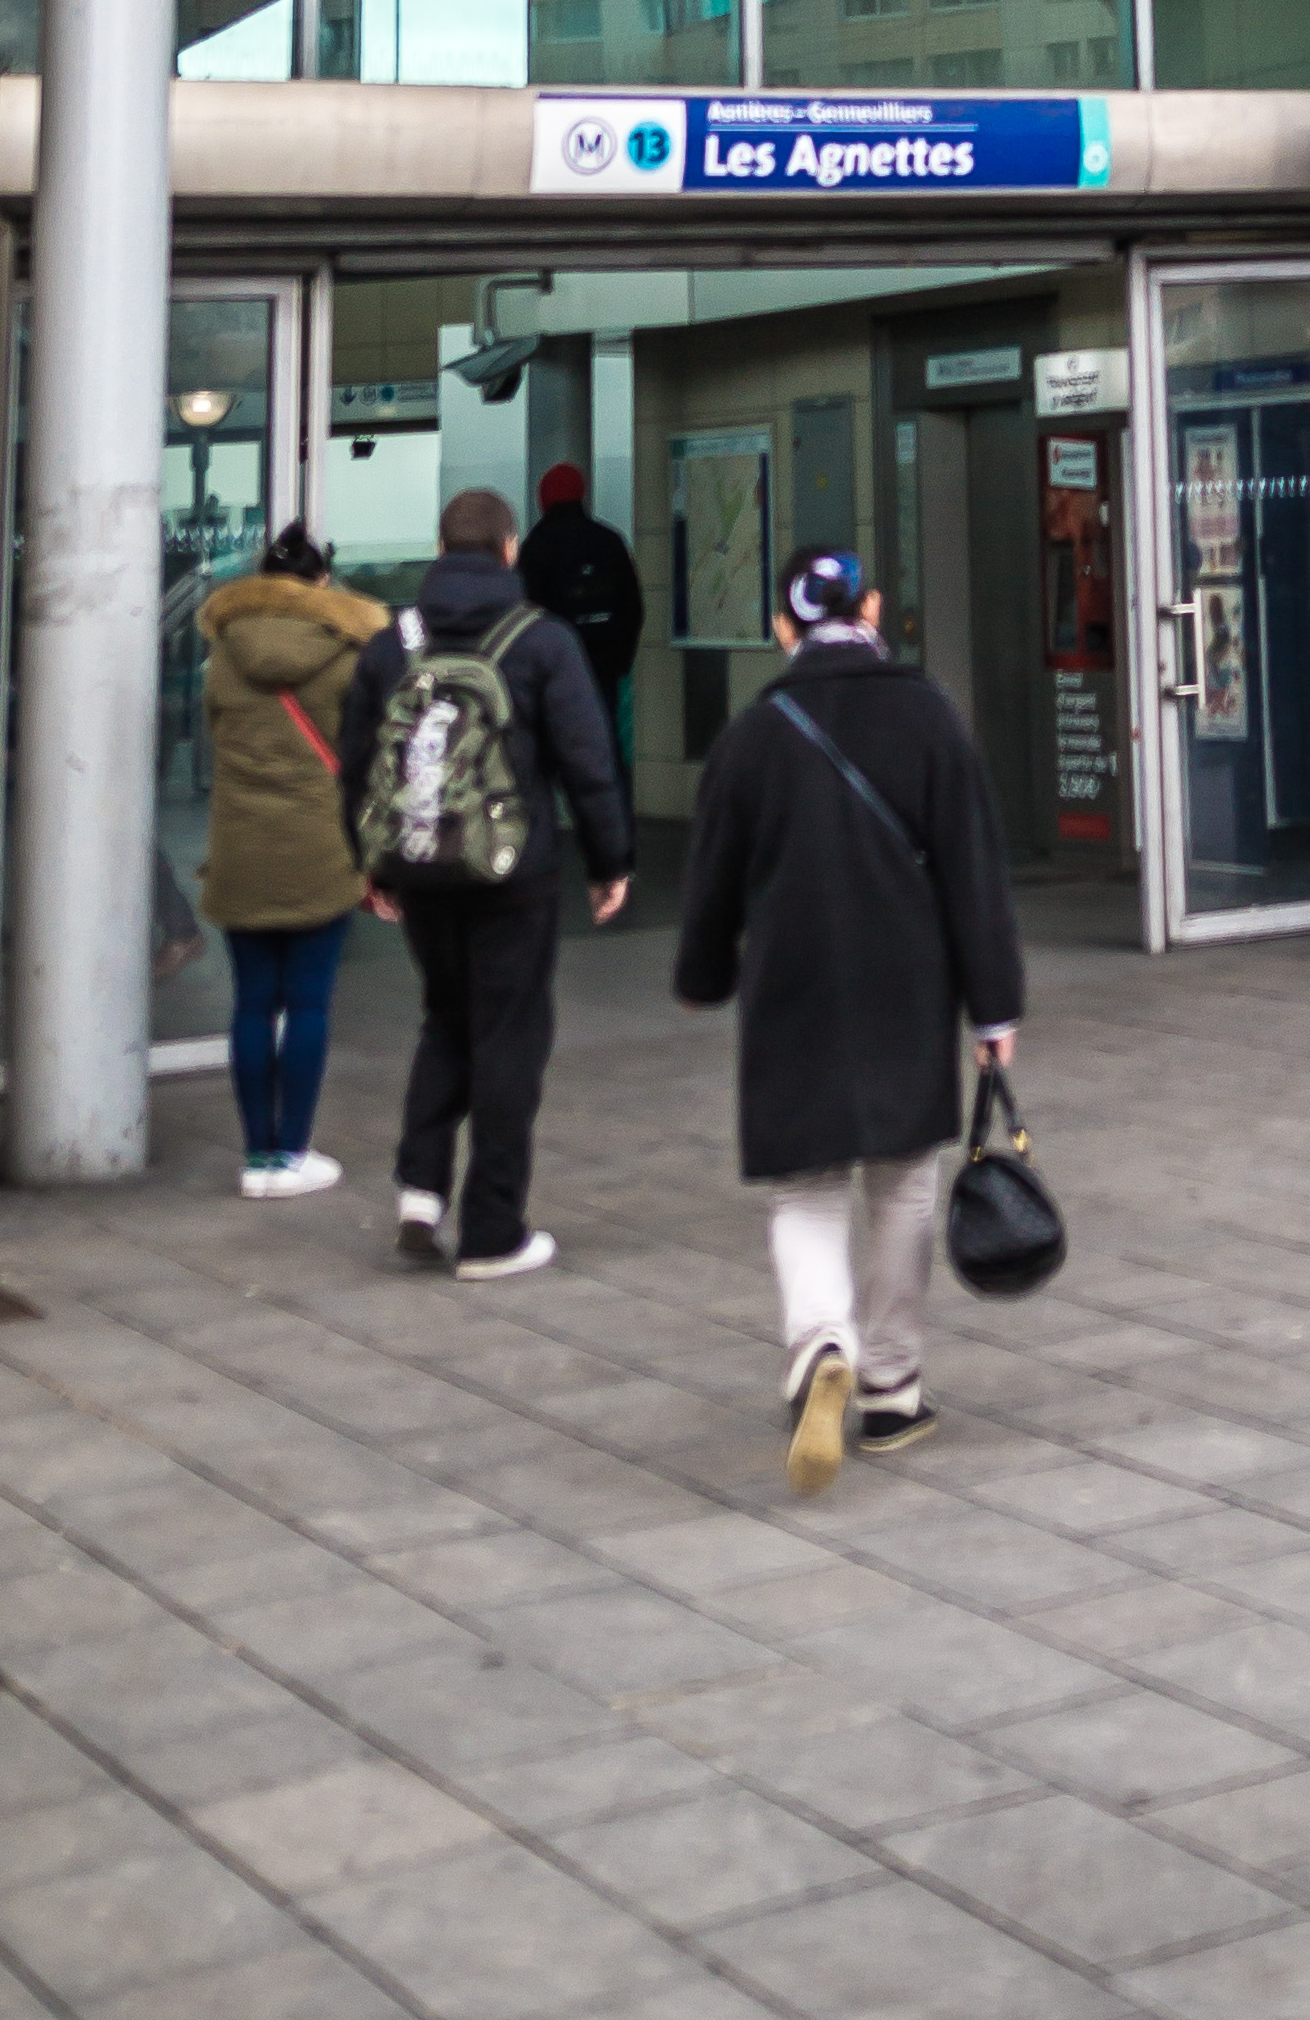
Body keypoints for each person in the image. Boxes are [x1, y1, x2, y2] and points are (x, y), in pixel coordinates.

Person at [674, 543, 1023, 1488]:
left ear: (782, 626)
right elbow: (974, 871)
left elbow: (712, 882)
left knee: (804, 1186)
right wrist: (993, 1005)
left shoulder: (754, 734)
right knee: (904, 1182)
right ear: (869, 608)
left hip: (794, 985)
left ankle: (819, 1343)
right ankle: (892, 1387)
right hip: (908, 984)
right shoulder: (929, 718)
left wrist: (703, 972)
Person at [336, 482, 633, 1285]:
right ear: (509, 549)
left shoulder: (392, 643)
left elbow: (359, 762)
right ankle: (494, 1230)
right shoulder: (541, 640)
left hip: (421, 867)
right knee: (509, 1036)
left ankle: (420, 1193)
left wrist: (368, 861)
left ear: (440, 550)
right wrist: (610, 863)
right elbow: (588, 762)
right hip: (514, 875)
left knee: (445, 1019)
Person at [196, 516, 382, 1199]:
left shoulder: (224, 649)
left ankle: (256, 1159)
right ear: (321, 581)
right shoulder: (347, 650)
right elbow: (364, 750)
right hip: (319, 846)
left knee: (251, 1004)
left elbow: (216, 730)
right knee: (306, 1003)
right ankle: (293, 1153)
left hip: (241, 844)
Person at [518, 460, 646, 772]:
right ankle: (611, 818)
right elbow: (633, 607)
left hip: (552, 672)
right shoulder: (609, 541)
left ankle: (550, 819)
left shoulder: (536, 546)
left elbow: (524, 613)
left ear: (543, 497)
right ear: (581, 495)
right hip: (603, 670)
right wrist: (619, 661)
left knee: (547, 757)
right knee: (604, 750)